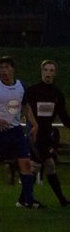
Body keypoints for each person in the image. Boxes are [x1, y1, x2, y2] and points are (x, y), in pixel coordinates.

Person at [0, 55, 42, 209]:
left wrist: (34, 124)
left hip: (16, 132)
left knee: (25, 164)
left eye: (6, 67)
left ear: (13, 69)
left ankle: (28, 200)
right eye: (1, 68)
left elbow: (25, 106)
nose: (3, 71)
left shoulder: (21, 86)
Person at [27, 59, 70, 207]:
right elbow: (25, 110)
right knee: (36, 166)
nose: (48, 73)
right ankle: (24, 199)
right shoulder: (33, 91)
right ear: (41, 72)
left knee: (50, 165)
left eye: (51, 70)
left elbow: (64, 117)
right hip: (34, 133)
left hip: (46, 135)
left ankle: (62, 200)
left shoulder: (57, 94)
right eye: (46, 70)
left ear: (55, 73)